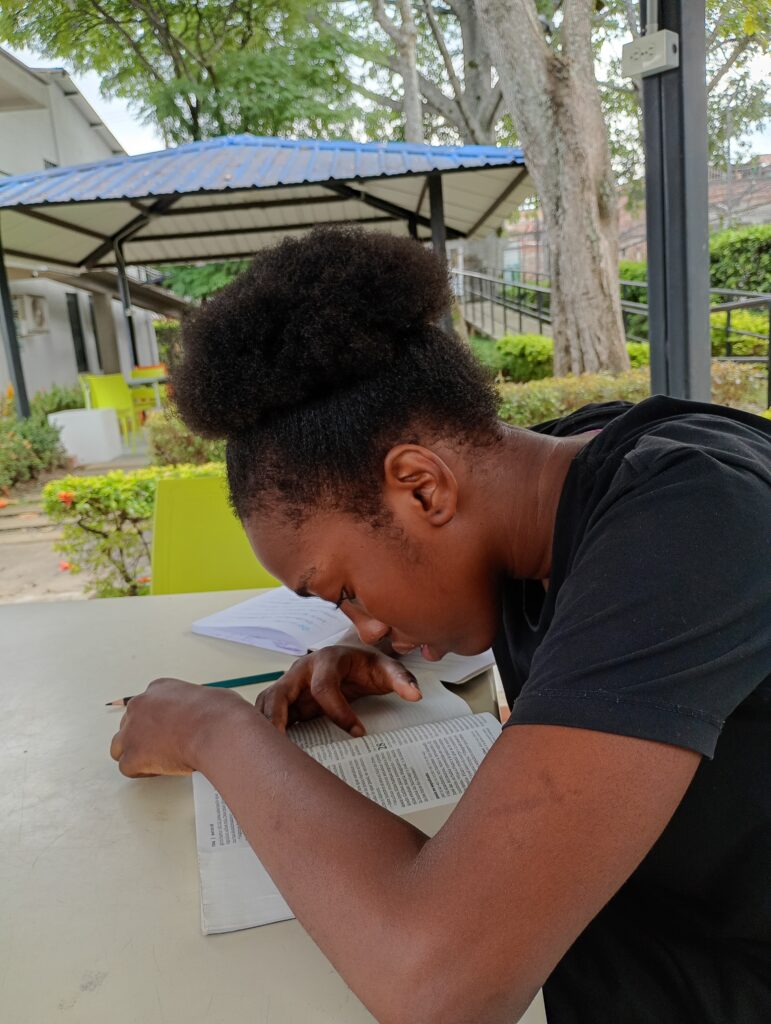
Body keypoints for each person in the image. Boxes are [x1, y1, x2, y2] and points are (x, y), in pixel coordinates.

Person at [111, 227, 771, 1024]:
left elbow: (439, 990)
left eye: (345, 590)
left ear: (422, 488)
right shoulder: (567, 473)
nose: (366, 625)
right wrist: (365, 644)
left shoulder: (690, 522)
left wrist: (214, 731)